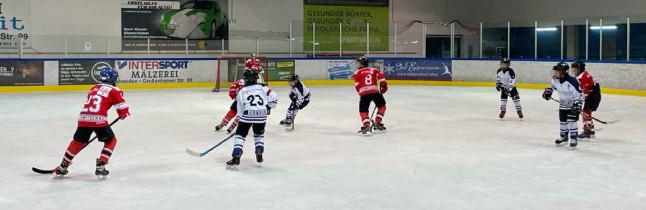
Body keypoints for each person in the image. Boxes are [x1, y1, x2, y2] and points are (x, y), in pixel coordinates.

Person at [54, 67, 130, 179]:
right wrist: (124, 114)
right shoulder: (115, 90)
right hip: (98, 119)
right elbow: (122, 110)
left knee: (77, 142)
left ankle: (63, 165)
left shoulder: (93, 88)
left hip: (83, 118)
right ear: (113, 78)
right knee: (111, 140)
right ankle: (101, 166)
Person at [226, 70, 278, 170]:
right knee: (259, 134)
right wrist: (268, 107)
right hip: (262, 115)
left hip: (247, 115)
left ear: (246, 79)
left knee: (240, 135)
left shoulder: (243, 90)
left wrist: (242, 119)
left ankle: (236, 157)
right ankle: (259, 152)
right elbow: (274, 97)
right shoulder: (263, 87)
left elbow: (240, 107)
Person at [542, 62, 583, 148]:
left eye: (558, 71)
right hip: (563, 104)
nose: (555, 73)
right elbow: (552, 87)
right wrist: (548, 92)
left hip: (573, 104)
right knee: (563, 121)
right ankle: (564, 136)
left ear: (564, 72)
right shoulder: (555, 80)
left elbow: (580, 94)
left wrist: (578, 104)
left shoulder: (572, 81)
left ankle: (573, 138)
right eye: (555, 71)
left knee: (572, 121)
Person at [353, 56, 388, 134]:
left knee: (363, 110)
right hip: (375, 92)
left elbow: (357, 85)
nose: (358, 65)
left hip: (364, 94)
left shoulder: (357, 72)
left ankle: (366, 126)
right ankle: (378, 123)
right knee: (382, 106)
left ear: (362, 64)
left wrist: (361, 93)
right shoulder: (374, 70)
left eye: (359, 63)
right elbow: (381, 77)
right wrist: (383, 86)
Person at [571, 61, 602, 138]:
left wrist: (578, 102)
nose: (574, 71)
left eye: (575, 69)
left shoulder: (582, 77)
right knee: (587, 111)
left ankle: (587, 130)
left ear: (580, 69)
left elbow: (585, 93)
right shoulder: (584, 74)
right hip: (594, 93)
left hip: (593, 95)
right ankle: (589, 127)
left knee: (586, 111)